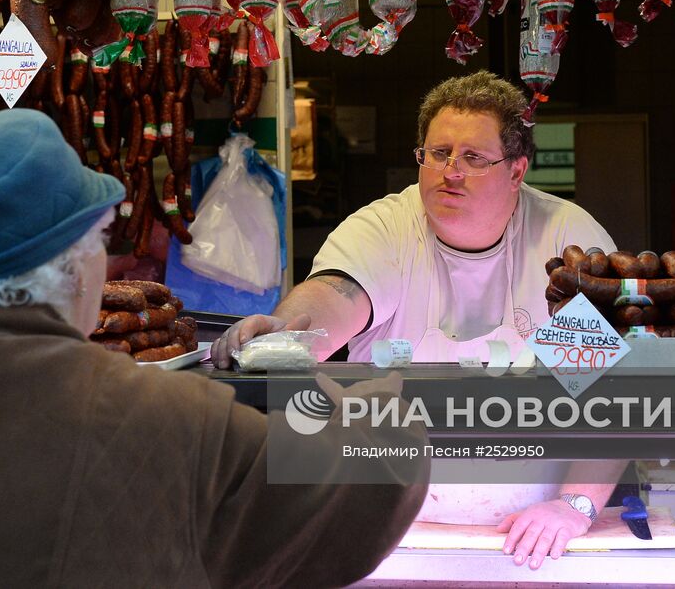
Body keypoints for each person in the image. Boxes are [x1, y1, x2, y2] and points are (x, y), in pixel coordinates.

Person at [0, 109, 428, 588]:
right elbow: (379, 482)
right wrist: (370, 393)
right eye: (98, 240)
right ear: (74, 264)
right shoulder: (181, 425)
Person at [210, 71, 623, 569]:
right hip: (386, 522)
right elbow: (336, 296)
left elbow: (606, 390)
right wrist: (287, 339)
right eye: (438, 152)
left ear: (517, 171)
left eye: (473, 157)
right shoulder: (384, 228)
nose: (450, 170)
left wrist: (575, 506)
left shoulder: (566, 239)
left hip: (536, 531)